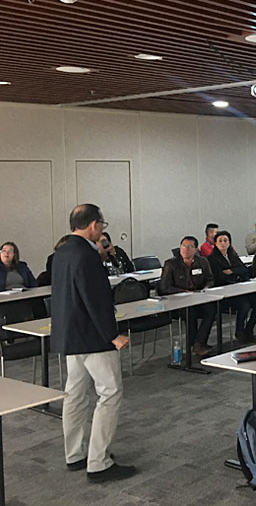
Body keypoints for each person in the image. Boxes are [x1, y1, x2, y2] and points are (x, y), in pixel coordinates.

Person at [50, 204, 136, 482]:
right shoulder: (87, 255)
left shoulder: (62, 252)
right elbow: (96, 300)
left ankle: (74, 454)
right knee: (110, 393)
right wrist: (113, 335)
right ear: (93, 225)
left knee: (75, 394)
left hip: (70, 334)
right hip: (93, 336)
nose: (102, 229)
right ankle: (99, 462)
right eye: (102, 224)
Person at [159, 236, 217, 356]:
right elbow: (164, 287)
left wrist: (205, 289)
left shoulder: (202, 262)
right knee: (190, 312)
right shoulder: (171, 264)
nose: (186, 249)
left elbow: (210, 279)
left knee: (211, 310)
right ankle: (195, 345)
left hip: (197, 298)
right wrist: (182, 291)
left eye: (190, 247)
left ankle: (199, 342)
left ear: (195, 249)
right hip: (178, 301)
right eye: (183, 246)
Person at [207, 230, 256, 344]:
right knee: (244, 305)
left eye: (225, 240)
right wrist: (237, 273)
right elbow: (220, 277)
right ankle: (239, 331)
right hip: (225, 292)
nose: (223, 243)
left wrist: (233, 271)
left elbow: (244, 270)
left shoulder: (232, 255)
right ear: (215, 243)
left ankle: (249, 329)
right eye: (220, 241)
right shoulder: (212, 259)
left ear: (229, 243)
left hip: (240, 288)